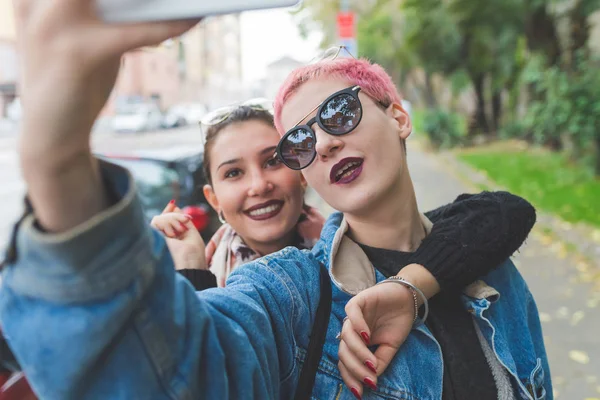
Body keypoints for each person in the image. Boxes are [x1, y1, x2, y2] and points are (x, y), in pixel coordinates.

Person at [0, 3, 551, 400]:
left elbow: (504, 211)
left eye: (339, 113)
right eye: (301, 140)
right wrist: (58, 160)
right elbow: (163, 375)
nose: (327, 141)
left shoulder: (496, 274)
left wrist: (412, 287)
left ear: (399, 117)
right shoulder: (287, 293)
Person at [151, 104, 535, 293]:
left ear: (302, 172)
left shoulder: (365, 244)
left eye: (273, 162)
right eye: (233, 173)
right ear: (212, 198)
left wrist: (410, 289)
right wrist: (190, 270)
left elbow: (505, 212)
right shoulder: (185, 280)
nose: (258, 185)